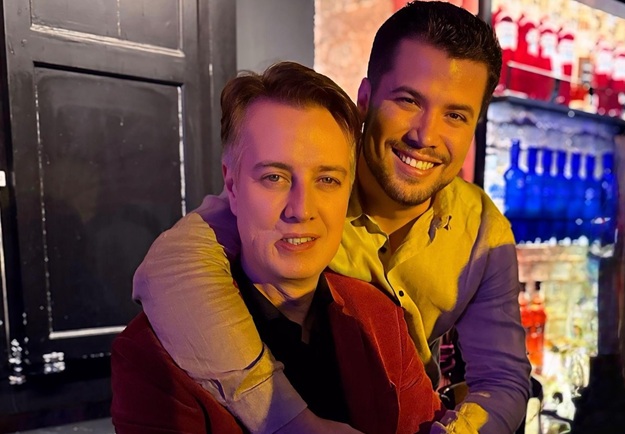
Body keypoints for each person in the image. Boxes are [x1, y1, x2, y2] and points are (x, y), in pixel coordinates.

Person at [133, 2, 531, 433]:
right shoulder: (308, 190)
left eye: (455, 115)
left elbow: (503, 378)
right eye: (408, 100)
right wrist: (288, 420)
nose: (425, 135)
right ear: (366, 100)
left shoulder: (483, 232)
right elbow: (170, 269)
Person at [111, 61, 447, 434]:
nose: (301, 209)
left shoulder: (379, 316)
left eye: (327, 179)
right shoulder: (152, 356)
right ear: (232, 186)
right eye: (274, 177)